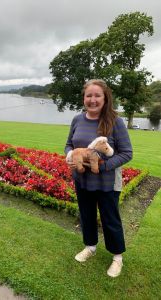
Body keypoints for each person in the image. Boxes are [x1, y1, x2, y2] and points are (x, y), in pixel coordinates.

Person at [65, 79, 132, 278]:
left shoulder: (115, 121)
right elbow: (69, 144)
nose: (92, 100)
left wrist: (103, 166)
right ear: (84, 98)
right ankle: (90, 247)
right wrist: (69, 156)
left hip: (107, 183)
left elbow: (127, 153)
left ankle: (117, 257)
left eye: (97, 96)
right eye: (89, 95)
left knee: (110, 220)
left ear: (105, 98)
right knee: (86, 216)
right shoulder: (77, 119)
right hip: (82, 180)